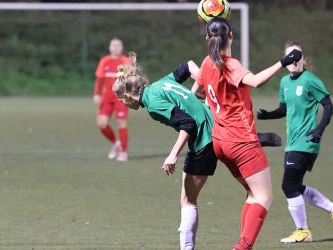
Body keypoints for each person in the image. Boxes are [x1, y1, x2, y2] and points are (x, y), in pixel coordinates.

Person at [192, 17, 302, 250]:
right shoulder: (230, 65)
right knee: (264, 197)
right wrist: (284, 61)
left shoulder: (206, 63)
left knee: (253, 194)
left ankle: (243, 244)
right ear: (231, 37)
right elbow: (256, 81)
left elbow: (197, 93)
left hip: (221, 141)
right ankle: (242, 247)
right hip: (241, 142)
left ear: (207, 39)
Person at [112, 52, 217, 250]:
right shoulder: (161, 83)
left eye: (122, 101)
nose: (124, 105)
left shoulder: (152, 105)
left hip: (205, 141)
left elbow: (188, 124)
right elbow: (187, 65)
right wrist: (203, 85)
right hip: (215, 128)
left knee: (188, 200)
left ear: (127, 95)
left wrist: (173, 155)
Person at [257, 41, 333, 243]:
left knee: (288, 185)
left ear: (304, 59)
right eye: (289, 56)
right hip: (292, 143)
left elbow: (328, 106)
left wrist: (319, 130)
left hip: (307, 141)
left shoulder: (310, 80)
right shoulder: (284, 82)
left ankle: (303, 231)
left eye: (297, 55)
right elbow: (283, 110)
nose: (293, 60)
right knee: (296, 187)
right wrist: (267, 115)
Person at [93, 38, 130, 162]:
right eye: (113, 45)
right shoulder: (105, 61)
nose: (115, 47)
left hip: (121, 97)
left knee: (121, 123)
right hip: (106, 97)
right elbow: (99, 79)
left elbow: (130, 79)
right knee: (101, 124)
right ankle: (116, 143)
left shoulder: (125, 61)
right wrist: (97, 94)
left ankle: (123, 152)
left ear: (122, 48)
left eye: (118, 45)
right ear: (109, 48)